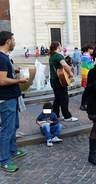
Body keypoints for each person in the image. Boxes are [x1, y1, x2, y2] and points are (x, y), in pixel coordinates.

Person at [0, 31, 28, 172]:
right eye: (13, 39)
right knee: (7, 129)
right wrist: (19, 80)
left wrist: (14, 69)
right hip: (6, 99)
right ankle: (4, 160)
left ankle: (12, 150)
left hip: (12, 97)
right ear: (8, 41)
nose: (15, 42)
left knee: (14, 126)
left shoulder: (5, 58)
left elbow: (5, 73)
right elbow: (2, 80)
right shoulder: (2, 58)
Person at [49, 41, 78, 122]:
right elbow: (65, 65)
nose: (62, 47)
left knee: (57, 98)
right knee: (64, 98)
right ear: (58, 47)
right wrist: (71, 73)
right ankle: (67, 116)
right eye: (61, 45)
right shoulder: (58, 56)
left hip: (53, 80)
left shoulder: (51, 56)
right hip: (59, 81)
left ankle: (55, 115)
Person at [80, 45, 94, 111]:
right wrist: (94, 64)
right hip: (87, 74)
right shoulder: (86, 56)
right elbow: (89, 66)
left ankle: (86, 103)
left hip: (85, 74)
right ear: (89, 49)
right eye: (92, 49)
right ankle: (82, 104)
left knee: (87, 90)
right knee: (86, 91)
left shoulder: (84, 56)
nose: (93, 51)